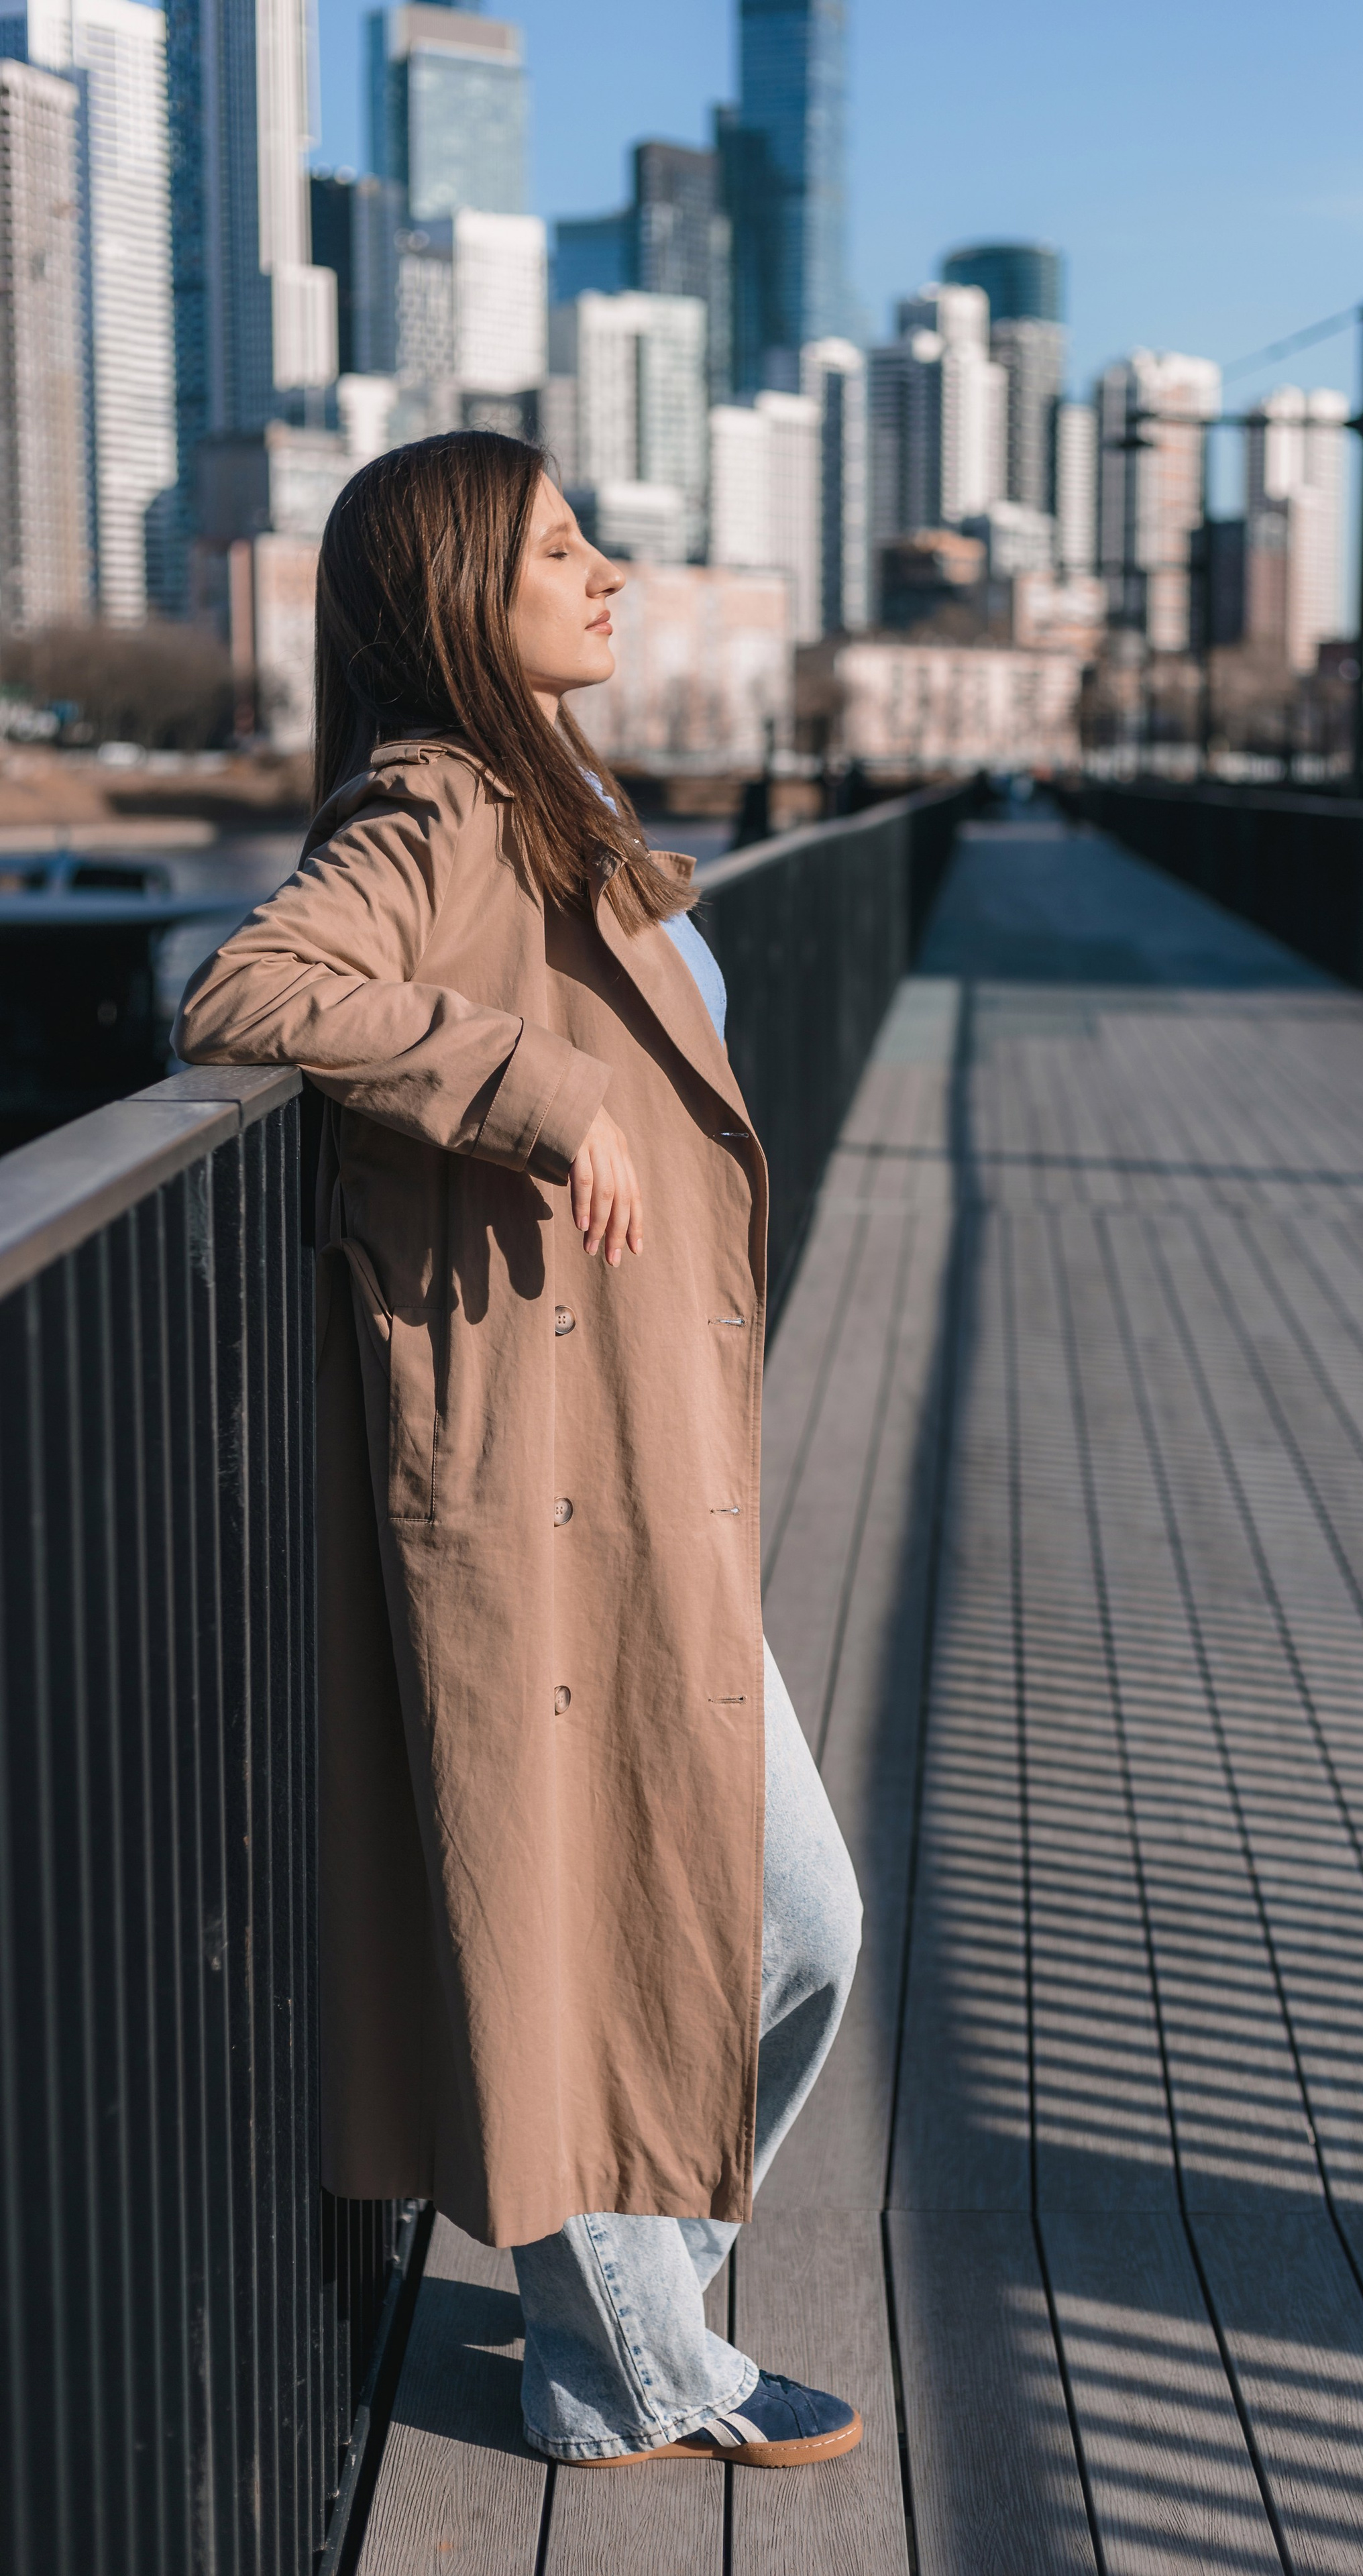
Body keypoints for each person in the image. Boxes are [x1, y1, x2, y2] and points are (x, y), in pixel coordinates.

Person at [172, 429, 864, 2469]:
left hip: (641, 1463)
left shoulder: (558, 802)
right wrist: (531, 1085)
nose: (609, 571)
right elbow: (247, 988)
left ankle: (628, 2326)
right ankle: (637, 2362)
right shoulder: (441, 805)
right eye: (560, 547)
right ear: (462, 599)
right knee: (634, 1910)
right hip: (541, 1475)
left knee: (771, 1919)